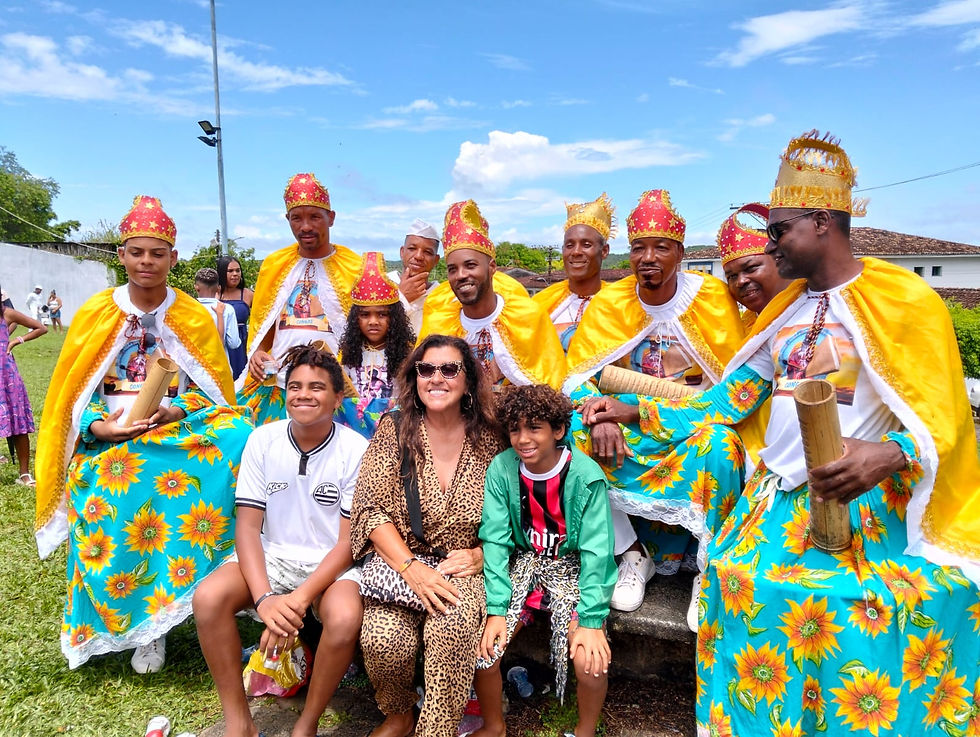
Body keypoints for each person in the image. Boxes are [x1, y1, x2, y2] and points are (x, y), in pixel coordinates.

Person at [590, 131, 980, 736]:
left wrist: (889, 452)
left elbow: (945, 418)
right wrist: (634, 410)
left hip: (865, 507)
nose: (770, 246)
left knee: (861, 619)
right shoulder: (786, 313)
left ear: (822, 222)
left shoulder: (906, 302)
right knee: (736, 585)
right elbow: (725, 402)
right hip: (776, 504)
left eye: (779, 231)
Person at [33, 195, 253, 672]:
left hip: (172, 433)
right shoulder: (96, 312)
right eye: (136, 252)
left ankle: (224, 587)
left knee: (241, 435)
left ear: (173, 257)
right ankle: (144, 628)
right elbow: (73, 396)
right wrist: (101, 426)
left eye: (157, 253)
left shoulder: (192, 315)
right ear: (122, 255)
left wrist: (175, 410)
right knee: (114, 484)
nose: (146, 262)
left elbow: (213, 392)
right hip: (109, 440)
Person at [565, 189, 748, 614]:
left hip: (690, 426)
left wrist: (648, 412)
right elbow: (575, 377)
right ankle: (632, 554)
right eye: (639, 248)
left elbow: (731, 389)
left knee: (722, 446)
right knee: (572, 434)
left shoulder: (711, 298)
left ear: (680, 253)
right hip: (626, 430)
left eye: (661, 247)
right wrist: (599, 416)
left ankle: (708, 570)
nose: (648, 257)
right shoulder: (612, 303)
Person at [194, 344, 367, 737]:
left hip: (330, 564)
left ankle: (307, 723)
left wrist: (297, 601)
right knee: (208, 598)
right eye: (295, 386)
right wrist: (265, 599)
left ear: (337, 398)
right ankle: (239, 723)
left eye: (317, 387)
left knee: (344, 618)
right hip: (273, 556)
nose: (304, 394)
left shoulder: (355, 449)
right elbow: (247, 528)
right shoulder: (263, 439)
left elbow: (346, 544)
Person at [350, 334, 502, 737]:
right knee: (384, 641)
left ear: (468, 381)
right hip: (402, 562)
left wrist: (482, 554)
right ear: (414, 377)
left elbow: (515, 511)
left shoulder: (492, 437)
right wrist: (411, 568)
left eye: (449, 369)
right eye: (426, 369)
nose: (436, 378)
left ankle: (435, 731)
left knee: (450, 629)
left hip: (460, 567)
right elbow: (369, 508)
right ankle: (399, 715)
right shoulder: (395, 429)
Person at [475, 384, 616, 737]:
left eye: (534, 428)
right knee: (485, 653)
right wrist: (496, 610)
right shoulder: (502, 469)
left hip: (572, 573)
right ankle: (493, 726)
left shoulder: (585, 477)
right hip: (524, 569)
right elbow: (495, 541)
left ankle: (584, 731)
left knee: (590, 664)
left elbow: (597, 552)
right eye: (515, 429)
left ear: (558, 430)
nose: (523, 439)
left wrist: (591, 620)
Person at [237, 174, 361, 426]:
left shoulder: (354, 267)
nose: (305, 226)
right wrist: (258, 353)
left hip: (336, 390)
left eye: (315, 217)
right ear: (287, 220)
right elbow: (265, 327)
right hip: (279, 387)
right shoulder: (275, 265)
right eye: (296, 218)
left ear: (331, 218)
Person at [419, 200, 565, 391]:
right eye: (452, 269)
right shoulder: (439, 324)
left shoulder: (528, 317)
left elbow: (553, 382)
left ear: (492, 267)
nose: (461, 275)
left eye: (470, 265)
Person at [337, 252, 416, 438]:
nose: (373, 321)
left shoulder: (408, 352)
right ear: (355, 319)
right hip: (353, 431)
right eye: (365, 315)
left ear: (394, 317)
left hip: (395, 429)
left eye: (382, 314)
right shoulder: (348, 352)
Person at [533, 194, 614, 351]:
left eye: (586, 245)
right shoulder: (541, 304)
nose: (576, 252)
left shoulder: (620, 303)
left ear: (604, 251)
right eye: (569, 245)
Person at [0, 283, 47, 485]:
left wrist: (15, 341)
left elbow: (41, 328)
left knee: (18, 423)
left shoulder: (7, 313)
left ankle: (24, 473)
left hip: (6, 376)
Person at [718, 203, 791, 330]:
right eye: (732, 276)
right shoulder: (740, 331)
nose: (740, 281)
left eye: (750, 268)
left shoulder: (814, 311)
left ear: (780, 260)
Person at [388, 219, 441, 336]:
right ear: (402, 252)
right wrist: (402, 298)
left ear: (436, 260)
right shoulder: (383, 284)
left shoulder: (442, 296)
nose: (418, 256)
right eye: (412, 249)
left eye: (427, 252)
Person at [195, 266, 242, 368]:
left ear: (196, 287)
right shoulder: (226, 309)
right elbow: (234, 343)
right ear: (218, 288)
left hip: (194, 369)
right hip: (219, 368)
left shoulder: (189, 308)